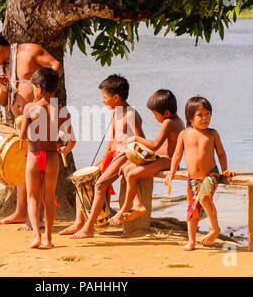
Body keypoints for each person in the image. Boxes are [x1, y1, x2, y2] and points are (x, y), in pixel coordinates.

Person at [0, 32, 63, 230]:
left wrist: (43, 95)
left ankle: (38, 217)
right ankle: (20, 212)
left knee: (39, 167)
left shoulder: (29, 51)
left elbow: (56, 65)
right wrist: (4, 86)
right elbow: (2, 100)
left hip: (39, 118)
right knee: (24, 165)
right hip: (19, 120)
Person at [59, 74, 145, 239]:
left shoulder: (131, 115)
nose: (102, 100)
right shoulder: (115, 112)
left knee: (99, 185)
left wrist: (131, 163)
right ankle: (79, 222)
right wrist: (104, 161)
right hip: (113, 155)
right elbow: (111, 140)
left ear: (116, 97)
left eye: (105, 97)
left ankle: (89, 227)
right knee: (82, 180)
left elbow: (140, 142)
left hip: (125, 156)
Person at [164, 96, 235, 251]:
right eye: (200, 115)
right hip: (193, 179)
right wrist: (171, 173)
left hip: (211, 174)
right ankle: (191, 242)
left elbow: (221, 153)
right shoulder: (184, 134)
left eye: (208, 114)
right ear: (190, 118)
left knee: (203, 197)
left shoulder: (212, 134)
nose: (205, 118)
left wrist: (224, 170)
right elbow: (177, 155)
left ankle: (215, 229)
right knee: (192, 211)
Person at [18, 67, 76, 248]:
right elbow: (72, 140)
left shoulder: (30, 107)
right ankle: (48, 239)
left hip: (34, 156)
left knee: (33, 198)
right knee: (49, 198)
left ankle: (36, 236)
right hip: (52, 157)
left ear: (39, 88)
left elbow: (22, 136)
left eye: (34, 87)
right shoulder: (62, 111)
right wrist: (64, 149)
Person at [108, 89, 185, 225]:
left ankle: (124, 209)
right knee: (126, 170)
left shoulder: (169, 122)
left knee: (132, 175)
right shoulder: (176, 120)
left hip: (168, 161)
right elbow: (158, 147)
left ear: (166, 113)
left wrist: (136, 138)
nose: (155, 118)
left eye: (155, 114)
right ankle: (138, 205)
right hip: (160, 158)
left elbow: (155, 145)